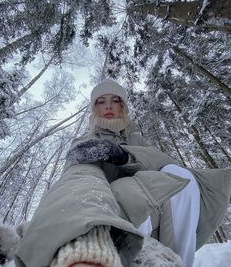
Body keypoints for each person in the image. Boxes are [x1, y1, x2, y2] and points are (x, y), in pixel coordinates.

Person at [14, 79, 231, 267]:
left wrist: (123, 155)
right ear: (94, 109)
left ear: (124, 106)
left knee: (179, 176)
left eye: (115, 100)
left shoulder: (138, 140)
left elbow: (165, 164)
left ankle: (178, 261)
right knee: (126, 189)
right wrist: (73, 224)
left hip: (158, 221)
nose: (108, 105)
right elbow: (79, 178)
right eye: (101, 101)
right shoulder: (86, 143)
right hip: (108, 215)